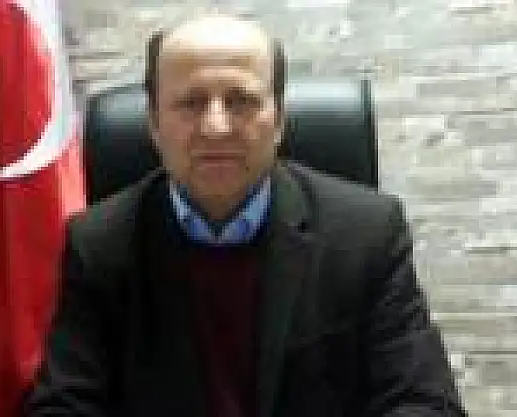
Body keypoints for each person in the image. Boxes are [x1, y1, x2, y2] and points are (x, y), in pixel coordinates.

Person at [24, 15, 467, 417]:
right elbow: (63, 406)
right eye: (191, 102)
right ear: (155, 125)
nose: (216, 127)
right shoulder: (99, 245)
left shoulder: (367, 234)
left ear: (279, 120)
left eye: (241, 101)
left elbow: (424, 404)